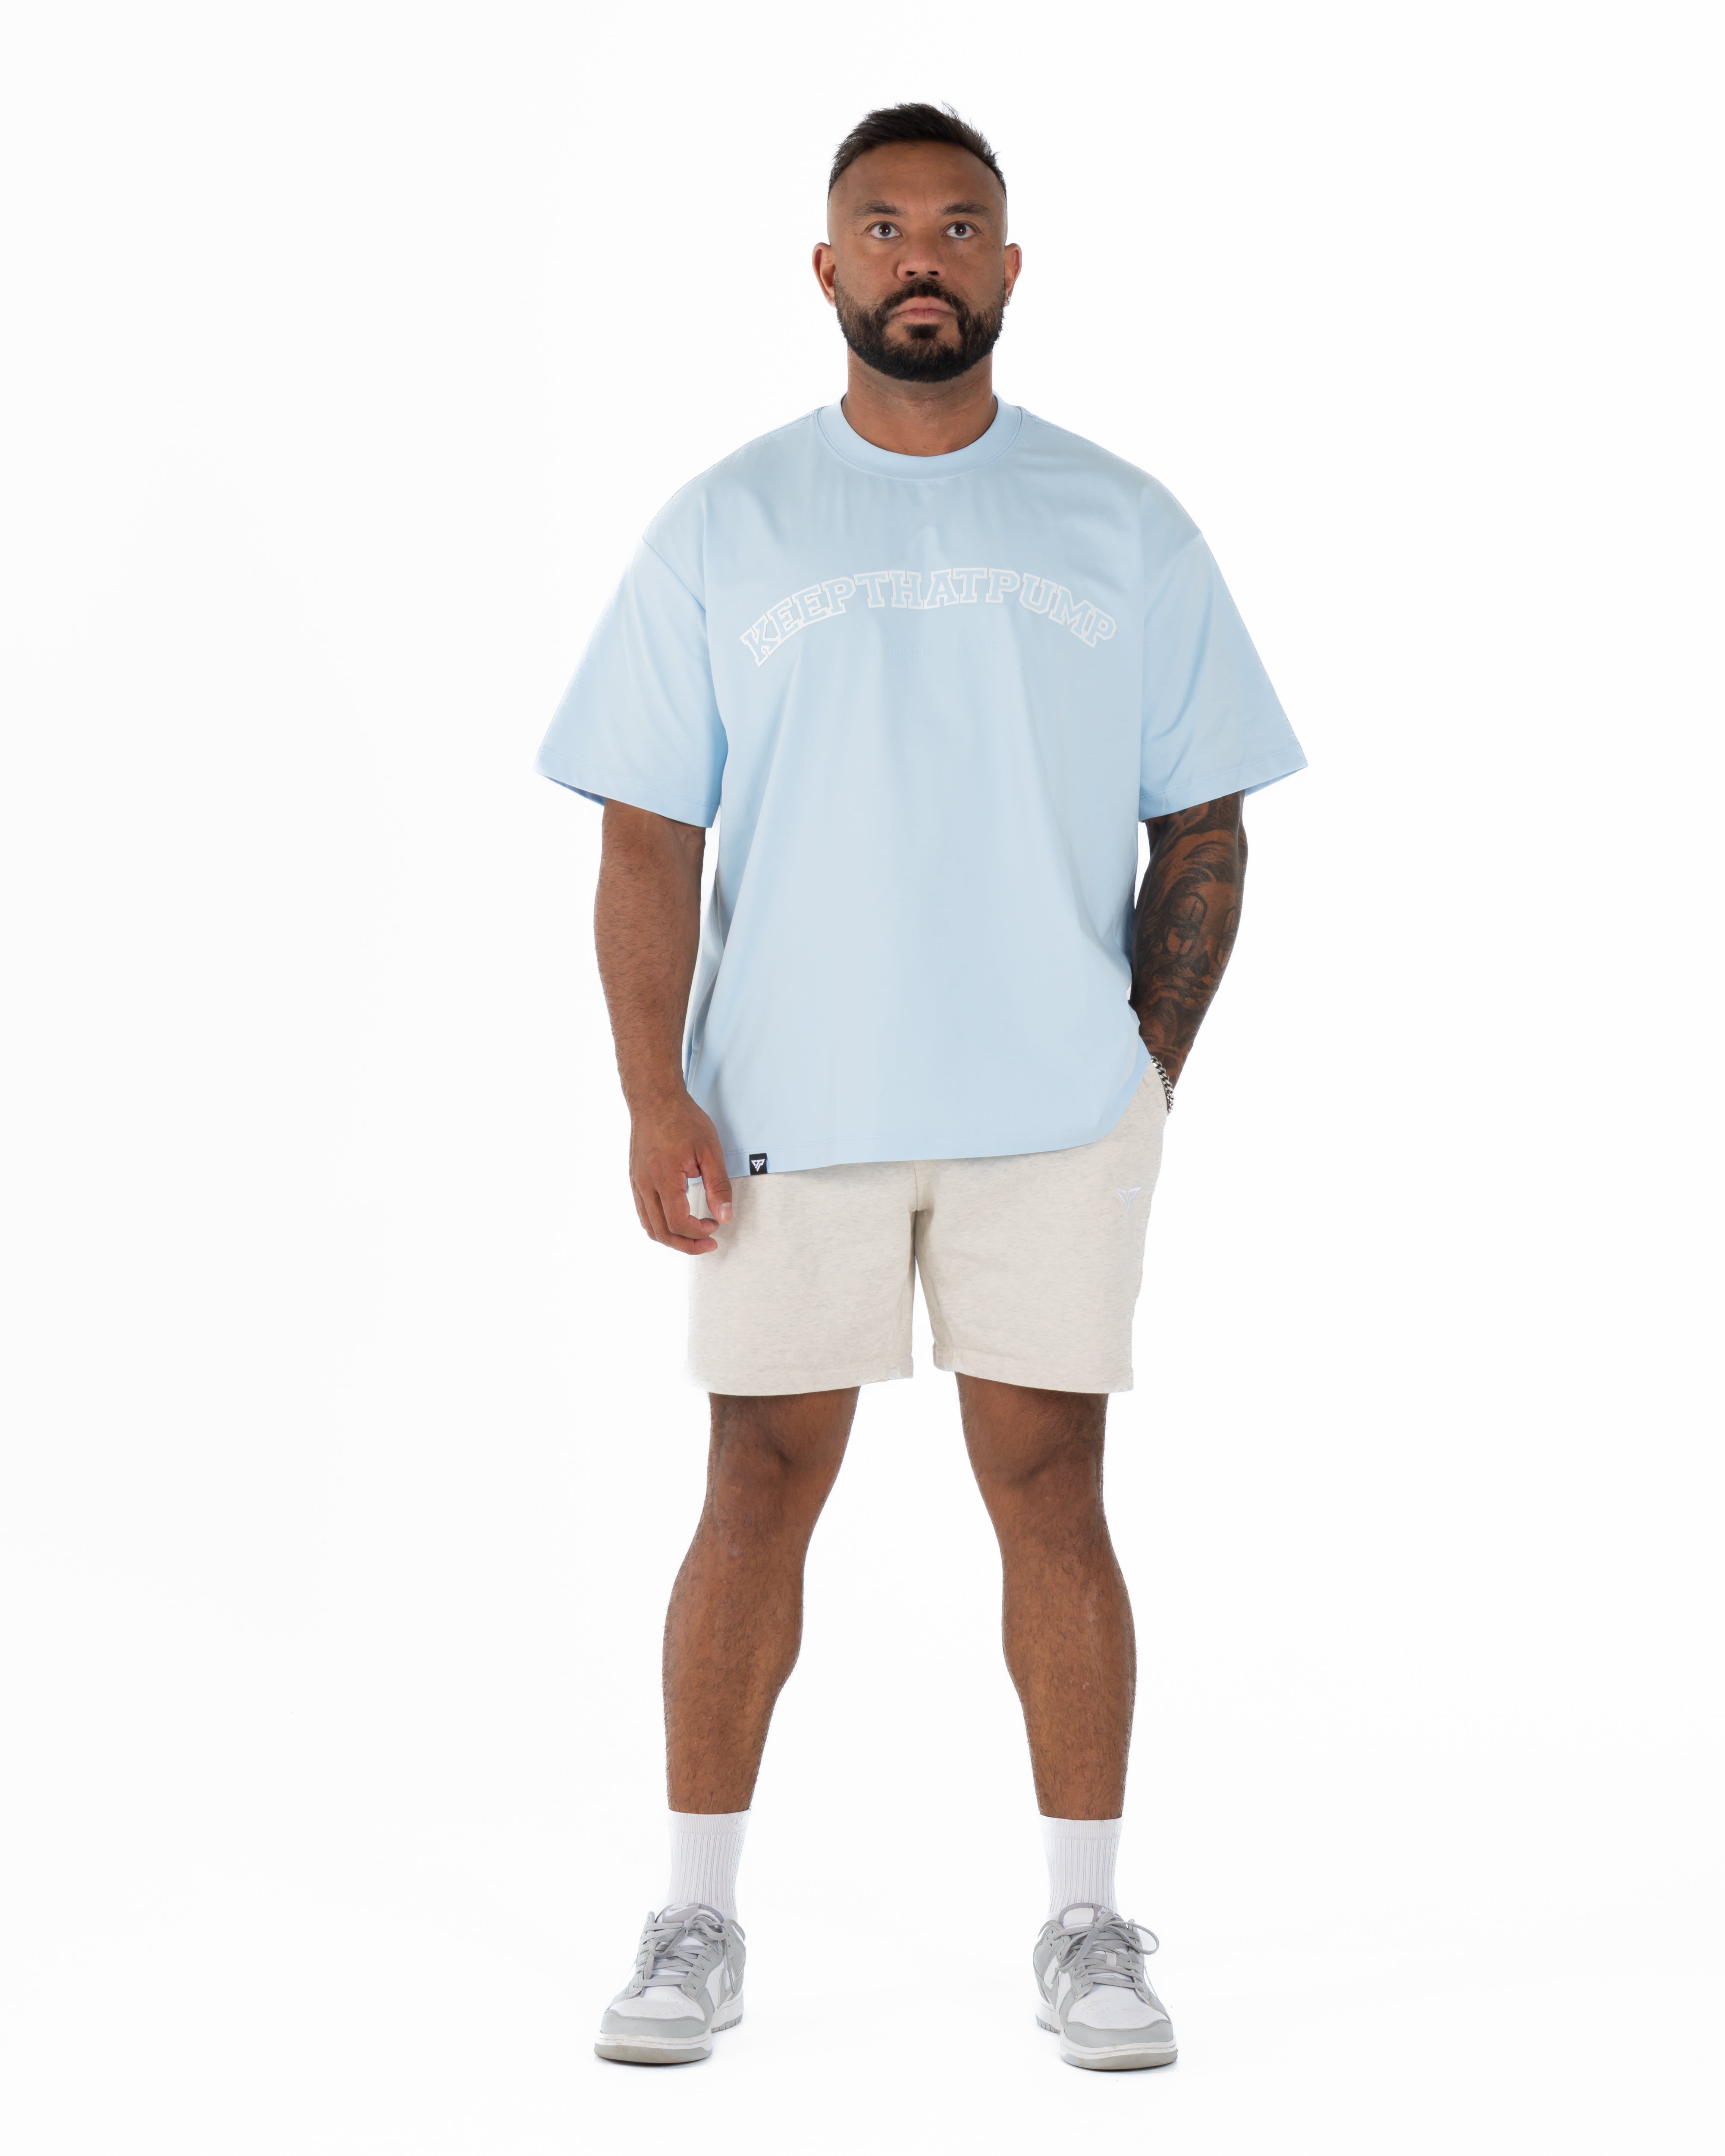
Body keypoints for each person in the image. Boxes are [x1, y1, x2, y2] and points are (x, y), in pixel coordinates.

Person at [537, 101, 1306, 2071]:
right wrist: (652, 1095)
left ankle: (1087, 1927)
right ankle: (695, 1919)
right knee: (753, 1487)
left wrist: (1142, 1070)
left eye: (960, 226)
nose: (921, 259)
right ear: (826, 268)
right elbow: (646, 835)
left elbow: (1205, 815)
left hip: (1053, 1113)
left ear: (1010, 267)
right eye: (882, 227)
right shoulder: (727, 524)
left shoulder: (1121, 522)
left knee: (1054, 1493)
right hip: (786, 1107)